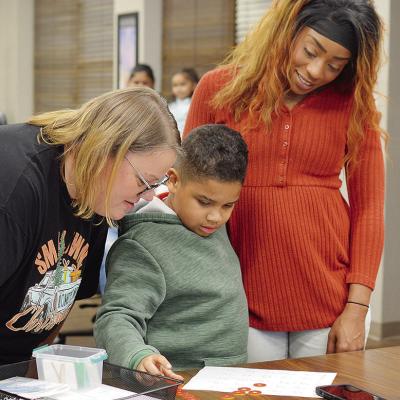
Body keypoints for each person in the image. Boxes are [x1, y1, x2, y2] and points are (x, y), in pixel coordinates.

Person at [184, 0, 386, 361]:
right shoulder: (219, 88)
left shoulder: (353, 104)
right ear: (287, 31)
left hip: (331, 304)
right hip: (238, 300)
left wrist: (357, 307)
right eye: (310, 52)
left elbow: (369, 210)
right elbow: (186, 191)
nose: (315, 70)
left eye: (335, 65)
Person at [0, 86, 180, 364]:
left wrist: (33, 368)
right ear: (107, 151)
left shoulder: (98, 198)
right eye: (144, 181)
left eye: (156, 185)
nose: (148, 196)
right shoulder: (14, 187)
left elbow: (61, 306)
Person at [94, 124, 249, 378]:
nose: (215, 217)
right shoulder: (142, 244)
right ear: (174, 180)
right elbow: (115, 316)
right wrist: (138, 356)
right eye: (204, 202)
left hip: (229, 379)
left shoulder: (206, 222)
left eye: (228, 205)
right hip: (177, 380)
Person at [168, 68, 199, 134]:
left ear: (194, 86)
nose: (179, 88)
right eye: (175, 85)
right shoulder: (169, 107)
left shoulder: (195, 106)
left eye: (182, 84)